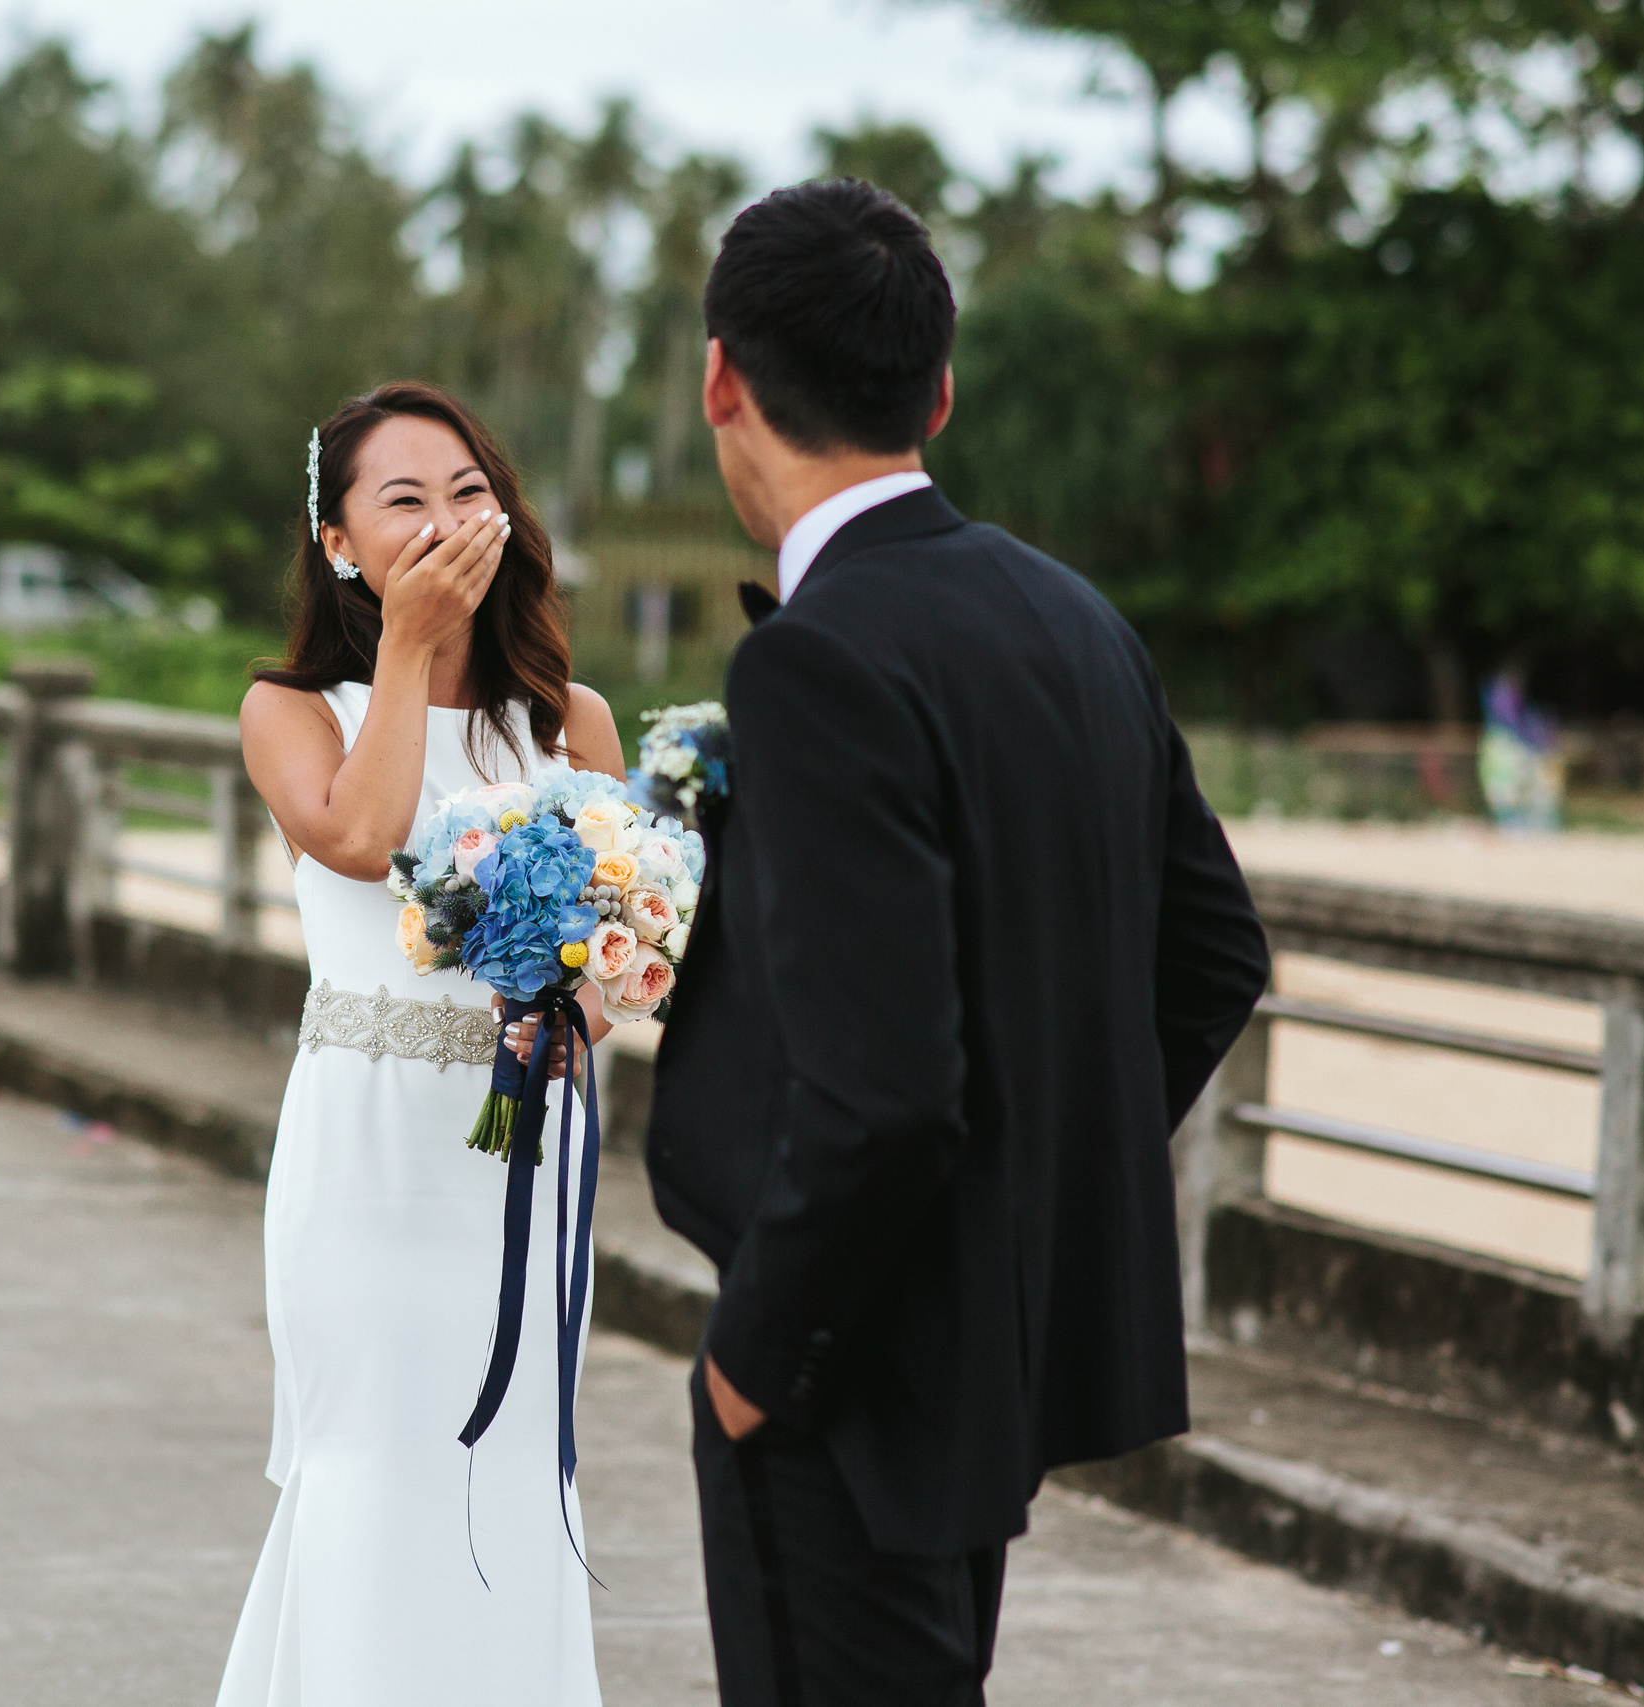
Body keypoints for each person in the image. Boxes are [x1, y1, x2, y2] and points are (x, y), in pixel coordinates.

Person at [645, 180, 1271, 1705]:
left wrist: (756, 1363)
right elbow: (1212, 958)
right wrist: (1022, 1191)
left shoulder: (818, 658)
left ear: (721, 378)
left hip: (843, 1368)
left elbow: (884, 1093)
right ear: (937, 392)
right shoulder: (1074, 617)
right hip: (987, 1347)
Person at [219, 380, 625, 1707]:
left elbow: (619, 948)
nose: (445, 521)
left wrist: (580, 1019)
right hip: (368, 1159)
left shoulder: (571, 722)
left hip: (524, 1156)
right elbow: (360, 835)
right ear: (339, 542)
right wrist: (405, 649)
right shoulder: (292, 710)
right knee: (373, 1467)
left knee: (512, 1466)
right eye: (404, 500)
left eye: (467, 492)